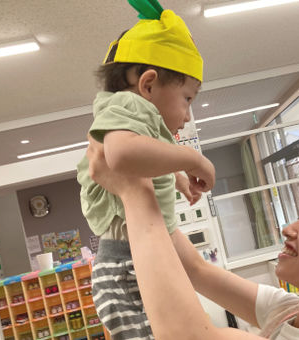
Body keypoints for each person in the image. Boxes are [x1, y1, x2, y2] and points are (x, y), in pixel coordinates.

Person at [85, 136, 299, 340]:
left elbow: (185, 336)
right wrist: (157, 182)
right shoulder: (285, 311)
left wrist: (134, 192)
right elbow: (197, 271)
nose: (289, 228)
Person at [76, 1, 215, 338]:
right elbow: (122, 155)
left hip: (133, 259)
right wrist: (191, 159)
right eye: (187, 99)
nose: (187, 115)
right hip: (126, 265)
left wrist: (178, 178)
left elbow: (142, 160)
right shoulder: (128, 105)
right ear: (148, 84)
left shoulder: (137, 119)